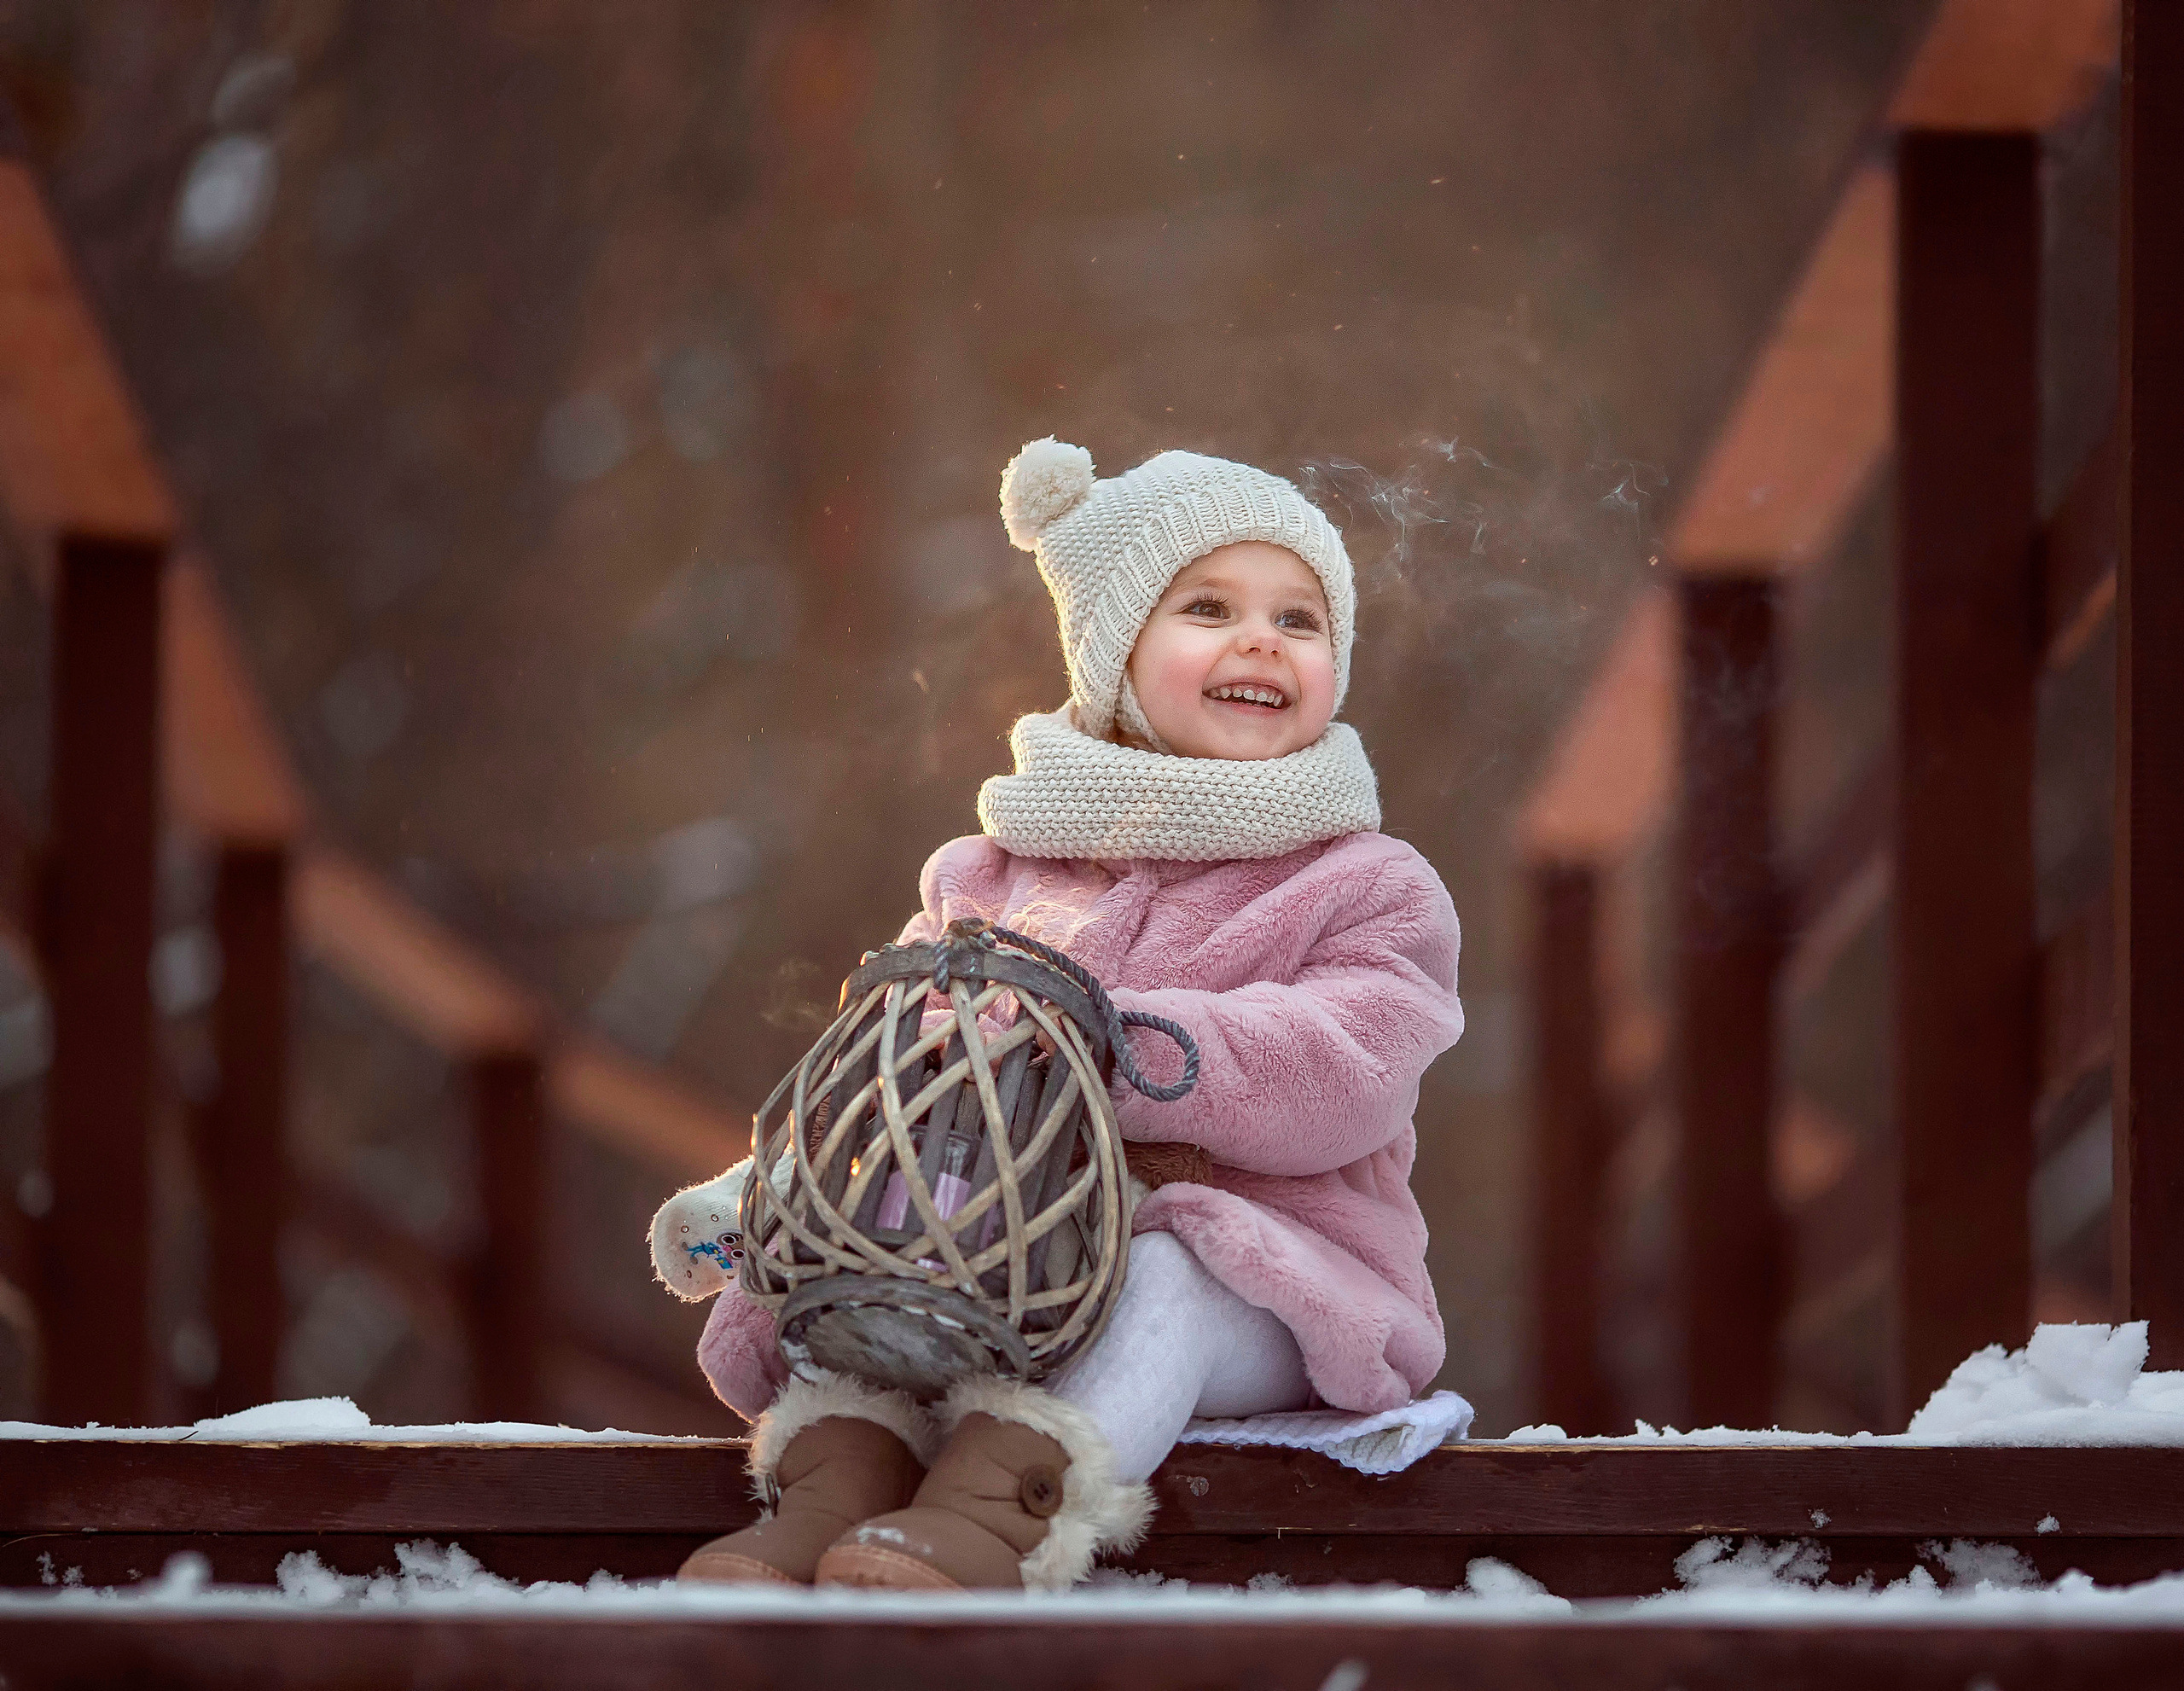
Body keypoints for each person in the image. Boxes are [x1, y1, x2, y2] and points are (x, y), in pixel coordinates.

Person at [653, 438, 1464, 1591]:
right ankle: (832, 1503)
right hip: (1009, 1268)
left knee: (1167, 1277)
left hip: (1270, 1285)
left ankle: (995, 1518)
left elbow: (1349, 1071)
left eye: (1301, 618)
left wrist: (1107, 1044)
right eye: (1209, 606)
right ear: (1114, 652)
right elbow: (895, 1086)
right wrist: (769, 1193)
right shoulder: (989, 879)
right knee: (871, 1257)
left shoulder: (1366, 885)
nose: (1261, 641)